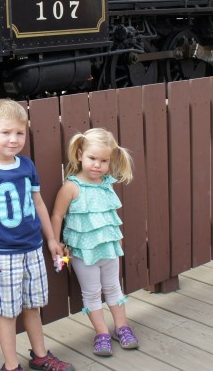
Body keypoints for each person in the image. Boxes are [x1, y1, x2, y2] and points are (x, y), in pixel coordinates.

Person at [0, 99, 74, 371]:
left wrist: (51, 239)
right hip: (3, 255)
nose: (14, 139)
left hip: (33, 249)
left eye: (20, 133)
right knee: (7, 313)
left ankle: (40, 356)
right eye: (6, 132)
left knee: (32, 307)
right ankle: (12, 366)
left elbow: (38, 204)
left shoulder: (26, 165)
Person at [50, 128, 139, 357]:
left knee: (113, 287)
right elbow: (57, 215)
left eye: (103, 160)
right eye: (92, 158)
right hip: (82, 252)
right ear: (80, 155)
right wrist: (56, 242)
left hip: (108, 247)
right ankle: (101, 332)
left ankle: (122, 327)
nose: (97, 165)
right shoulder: (71, 187)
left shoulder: (106, 183)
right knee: (91, 292)